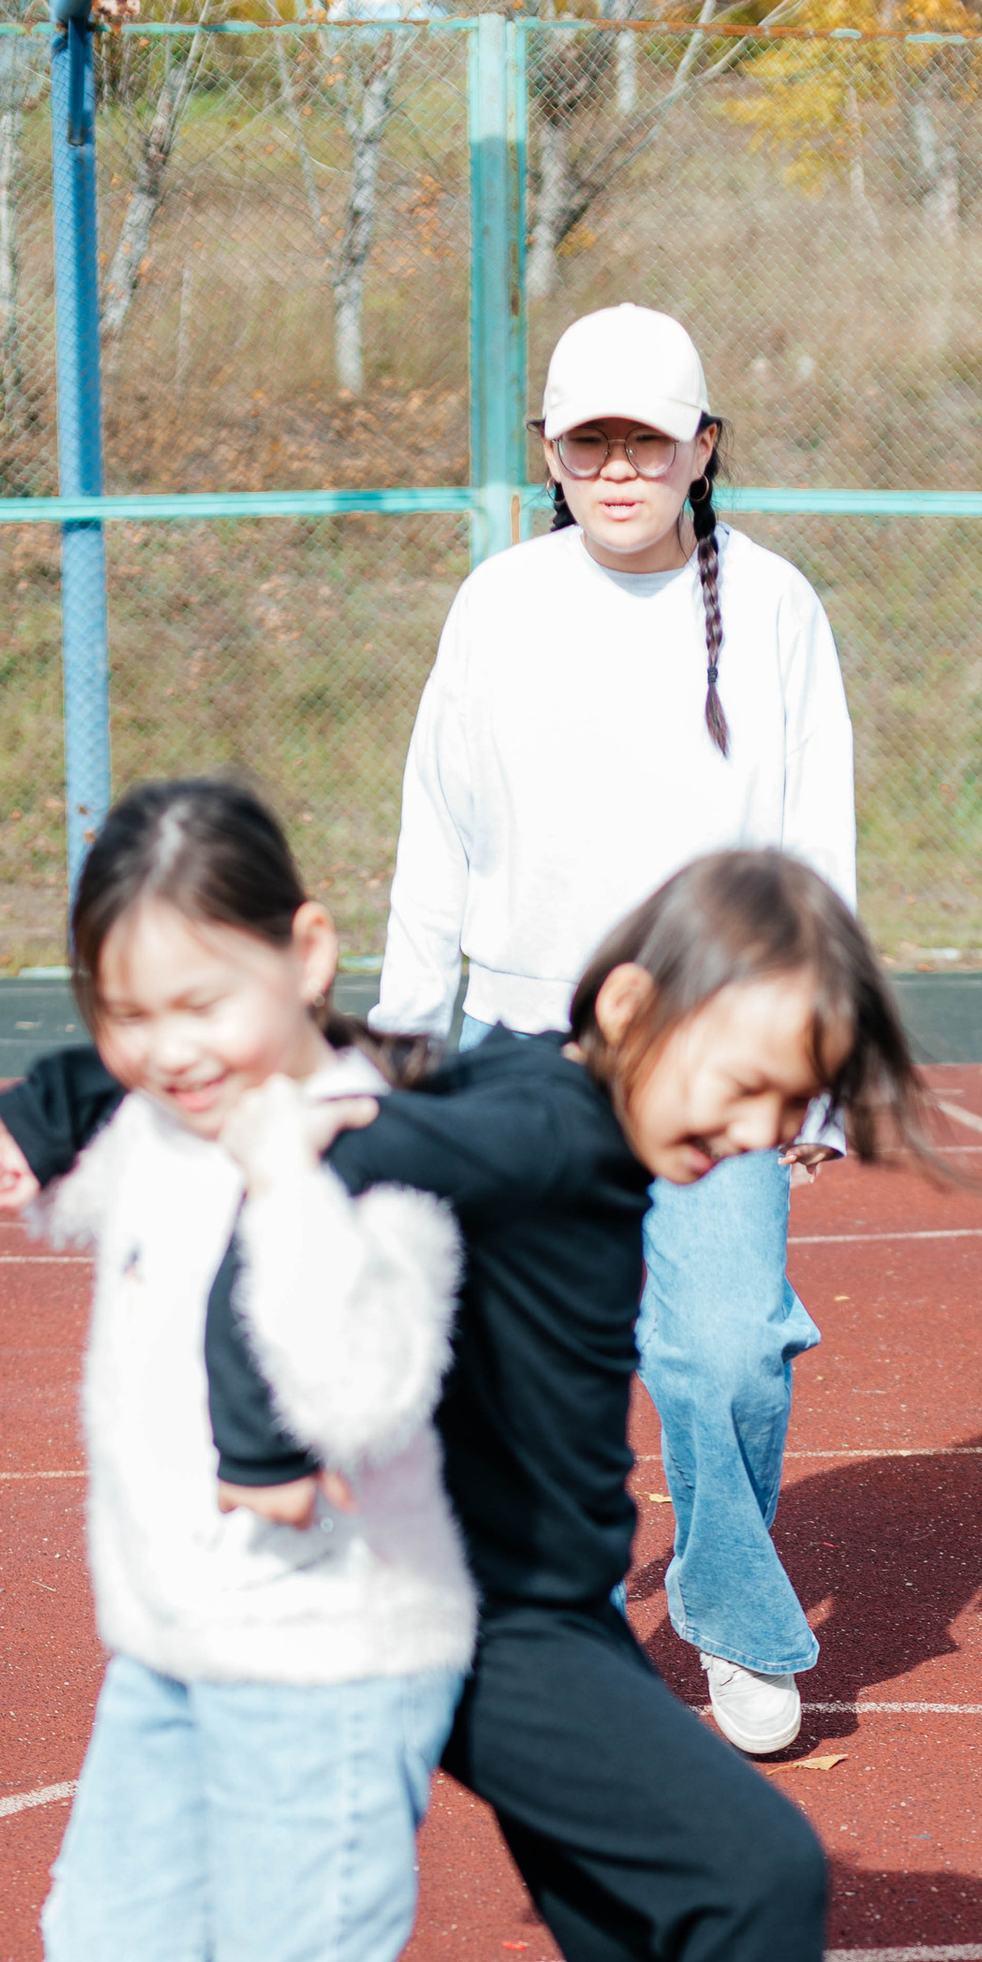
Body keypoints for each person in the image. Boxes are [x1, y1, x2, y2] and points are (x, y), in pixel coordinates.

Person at [0, 851, 945, 1962]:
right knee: (761, 1879)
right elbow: (316, 1152)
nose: (764, 1133)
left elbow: (311, 1060)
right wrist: (260, 1430)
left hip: (551, 1611)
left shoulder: (512, 1079)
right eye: (749, 1087)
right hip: (495, 1632)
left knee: (633, 1955)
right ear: (631, 1006)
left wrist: (54, 1098)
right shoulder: (544, 1127)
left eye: (797, 1105)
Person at [0, 778, 477, 1962]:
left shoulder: (372, 1148)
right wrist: (21, 1134)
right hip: (167, 1654)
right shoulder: (156, 1126)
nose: (170, 1050)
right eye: (126, 1014)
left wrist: (282, 1175)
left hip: (334, 1664)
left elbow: (366, 1396)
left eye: (202, 1001)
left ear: (307, 955)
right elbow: (77, 1188)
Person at [371, 301, 857, 1762]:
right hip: (526, 1050)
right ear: (550, 453)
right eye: (590, 443)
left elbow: (816, 846)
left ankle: (734, 1617)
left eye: (649, 440)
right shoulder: (498, 605)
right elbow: (436, 832)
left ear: (704, 447)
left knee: (726, 1352)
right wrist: (404, 1041)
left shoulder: (774, 607)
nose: (620, 469)